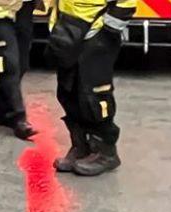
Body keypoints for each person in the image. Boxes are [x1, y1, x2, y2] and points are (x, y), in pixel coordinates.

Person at [48, 0, 135, 175]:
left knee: (94, 95)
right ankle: (82, 147)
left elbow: (126, 3)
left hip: (97, 31)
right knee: (68, 91)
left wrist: (107, 32)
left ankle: (105, 152)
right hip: (68, 29)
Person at [0, 0, 37, 140]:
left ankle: (2, 112)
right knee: (9, 63)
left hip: (25, 7)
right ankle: (18, 118)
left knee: (22, 64)